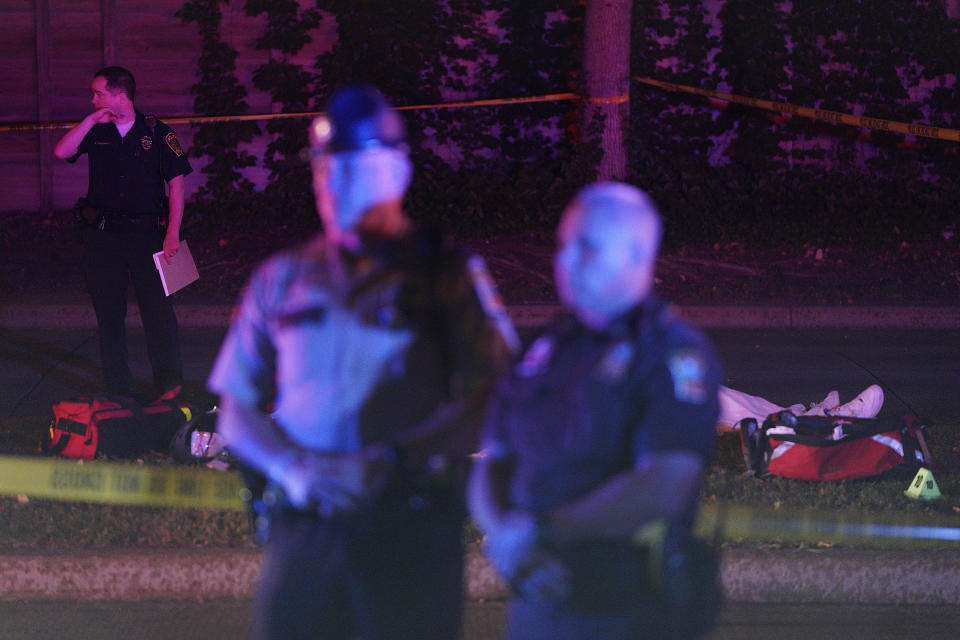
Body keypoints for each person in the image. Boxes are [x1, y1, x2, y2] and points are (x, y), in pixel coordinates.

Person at [207, 86, 514, 640]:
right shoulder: (282, 277)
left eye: (350, 167)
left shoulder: (446, 271)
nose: (330, 184)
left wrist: (396, 459)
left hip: (408, 525)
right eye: (324, 168)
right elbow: (235, 409)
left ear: (396, 172)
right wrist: (291, 471)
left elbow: (497, 392)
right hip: (306, 527)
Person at [468, 182, 723, 640]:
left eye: (584, 247)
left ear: (635, 255)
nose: (563, 261)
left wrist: (545, 532)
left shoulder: (673, 355)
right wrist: (506, 540)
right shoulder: (548, 350)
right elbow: (494, 458)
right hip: (537, 601)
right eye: (563, 245)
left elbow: (665, 484)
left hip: (625, 609)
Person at [53, 66, 191, 397]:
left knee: (159, 312)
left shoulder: (156, 131)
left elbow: (177, 186)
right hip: (103, 237)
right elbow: (61, 151)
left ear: (120, 94)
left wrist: (173, 233)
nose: (93, 99)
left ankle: (169, 385)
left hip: (149, 236)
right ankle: (119, 389)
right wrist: (89, 121)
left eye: (99, 93)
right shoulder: (97, 131)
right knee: (109, 313)